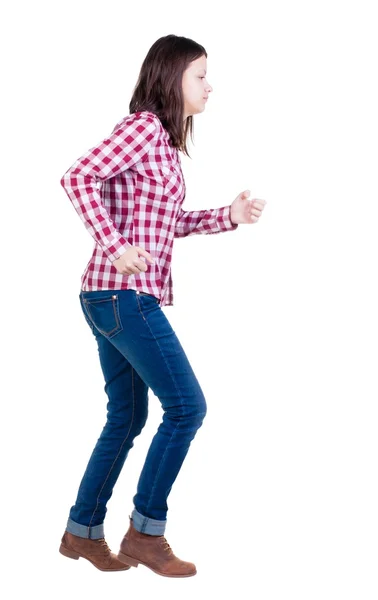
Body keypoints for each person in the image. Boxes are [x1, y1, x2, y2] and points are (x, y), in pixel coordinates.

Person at [58, 33, 267, 578]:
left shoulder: (163, 145)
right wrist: (116, 245)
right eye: (200, 74)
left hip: (112, 297)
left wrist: (230, 215)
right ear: (172, 76)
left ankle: (81, 531)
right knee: (187, 408)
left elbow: (166, 225)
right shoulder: (143, 128)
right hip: (122, 295)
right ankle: (145, 533)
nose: (208, 85)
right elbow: (77, 176)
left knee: (127, 417)